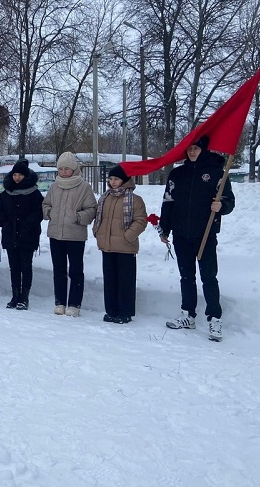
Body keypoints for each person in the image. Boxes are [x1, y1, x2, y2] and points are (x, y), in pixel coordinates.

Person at [160, 135, 234, 342]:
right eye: (189, 149)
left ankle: (214, 318)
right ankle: (188, 315)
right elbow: (168, 201)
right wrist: (164, 228)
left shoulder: (217, 173)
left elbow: (229, 200)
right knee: (186, 276)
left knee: (208, 277)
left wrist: (222, 206)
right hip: (181, 233)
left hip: (205, 233)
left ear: (203, 150)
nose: (192, 152)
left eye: (196, 149)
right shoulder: (177, 174)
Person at [42, 151, 97, 317]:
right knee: (58, 270)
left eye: (67, 169)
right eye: (61, 169)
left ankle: (74, 303)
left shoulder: (84, 187)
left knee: (75, 271)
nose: (64, 172)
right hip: (55, 234)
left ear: (74, 169)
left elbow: (92, 209)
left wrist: (78, 217)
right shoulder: (54, 186)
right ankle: (59, 302)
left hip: (75, 235)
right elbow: (46, 204)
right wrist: (50, 213)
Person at [92, 165, 147, 324]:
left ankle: (125, 312)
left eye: (116, 179)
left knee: (125, 281)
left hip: (125, 246)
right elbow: (99, 218)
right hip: (107, 245)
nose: (113, 182)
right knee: (110, 280)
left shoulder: (134, 199)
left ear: (124, 180)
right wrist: (98, 233)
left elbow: (141, 220)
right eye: (110, 179)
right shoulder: (105, 197)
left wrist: (128, 236)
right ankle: (111, 310)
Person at [0, 159, 44, 310]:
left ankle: (24, 297)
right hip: (11, 235)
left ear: (26, 176)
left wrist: (27, 225)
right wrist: (5, 223)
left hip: (28, 235)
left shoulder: (34, 193)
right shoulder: (6, 193)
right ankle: (15, 296)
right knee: (14, 267)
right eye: (15, 174)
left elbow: (38, 213)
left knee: (26, 266)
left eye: (20, 175)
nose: (17, 177)